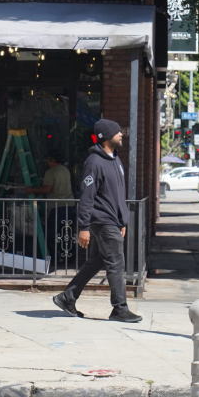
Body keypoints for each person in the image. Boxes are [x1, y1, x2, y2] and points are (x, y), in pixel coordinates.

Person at [52, 119, 141, 322]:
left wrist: (122, 220)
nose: (121, 134)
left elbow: (117, 194)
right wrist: (83, 227)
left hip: (113, 220)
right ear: (107, 136)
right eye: (117, 132)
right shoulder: (94, 162)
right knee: (116, 263)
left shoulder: (115, 159)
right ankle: (119, 309)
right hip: (102, 220)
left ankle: (67, 297)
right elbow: (87, 196)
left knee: (97, 261)